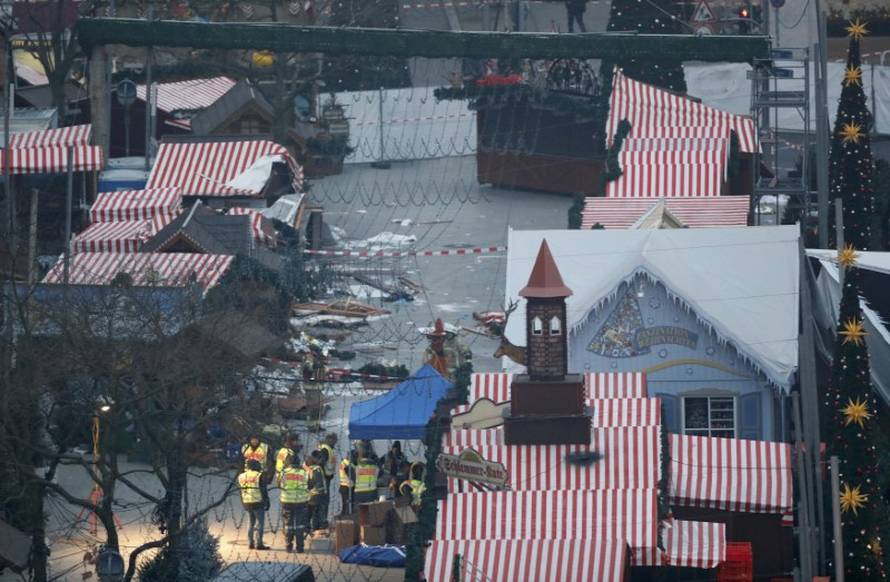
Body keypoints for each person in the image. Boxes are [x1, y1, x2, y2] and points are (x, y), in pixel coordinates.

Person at [279, 455, 310, 553]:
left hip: (287, 501)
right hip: (300, 501)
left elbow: (278, 484)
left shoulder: (284, 472)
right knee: (300, 524)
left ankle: (288, 546)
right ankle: (300, 547)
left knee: (288, 524)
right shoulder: (304, 472)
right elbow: (310, 484)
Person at [237, 460, 270, 550]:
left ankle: (250, 543)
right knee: (260, 523)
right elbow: (263, 490)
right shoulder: (259, 475)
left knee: (250, 523)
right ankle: (259, 544)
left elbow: (240, 490)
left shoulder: (241, 476)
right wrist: (267, 500)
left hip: (247, 502)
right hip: (258, 502)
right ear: (256, 466)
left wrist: (243, 502)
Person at [242, 433, 272, 509]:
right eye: (253, 439)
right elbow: (241, 461)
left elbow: (270, 462)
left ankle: (264, 503)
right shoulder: (245, 447)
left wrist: (269, 475)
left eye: (256, 439)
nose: (254, 441)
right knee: (247, 490)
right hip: (247, 473)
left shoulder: (265, 447)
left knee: (263, 489)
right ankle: (247, 505)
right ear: (250, 440)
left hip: (261, 473)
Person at [315, 433, 338, 519]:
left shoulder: (328, 449)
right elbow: (320, 462)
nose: (336, 442)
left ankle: (321, 519)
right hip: (323, 478)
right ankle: (322, 520)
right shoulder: (325, 449)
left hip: (326, 477)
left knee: (323, 500)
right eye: (334, 440)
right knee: (324, 500)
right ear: (329, 439)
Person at [307, 451, 329, 532]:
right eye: (320, 459)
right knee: (316, 513)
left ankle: (309, 529)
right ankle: (315, 529)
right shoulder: (316, 469)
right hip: (317, 495)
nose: (322, 460)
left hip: (311, 495)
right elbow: (315, 483)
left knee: (311, 514)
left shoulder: (310, 467)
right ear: (315, 459)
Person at [338, 447, 357, 516]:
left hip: (344, 486)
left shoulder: (344, 462)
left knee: (345, 504)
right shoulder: (348, 464)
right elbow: (352, 476)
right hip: (348, 486)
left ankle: (344, 516)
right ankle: (346, 518)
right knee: (347, 505)